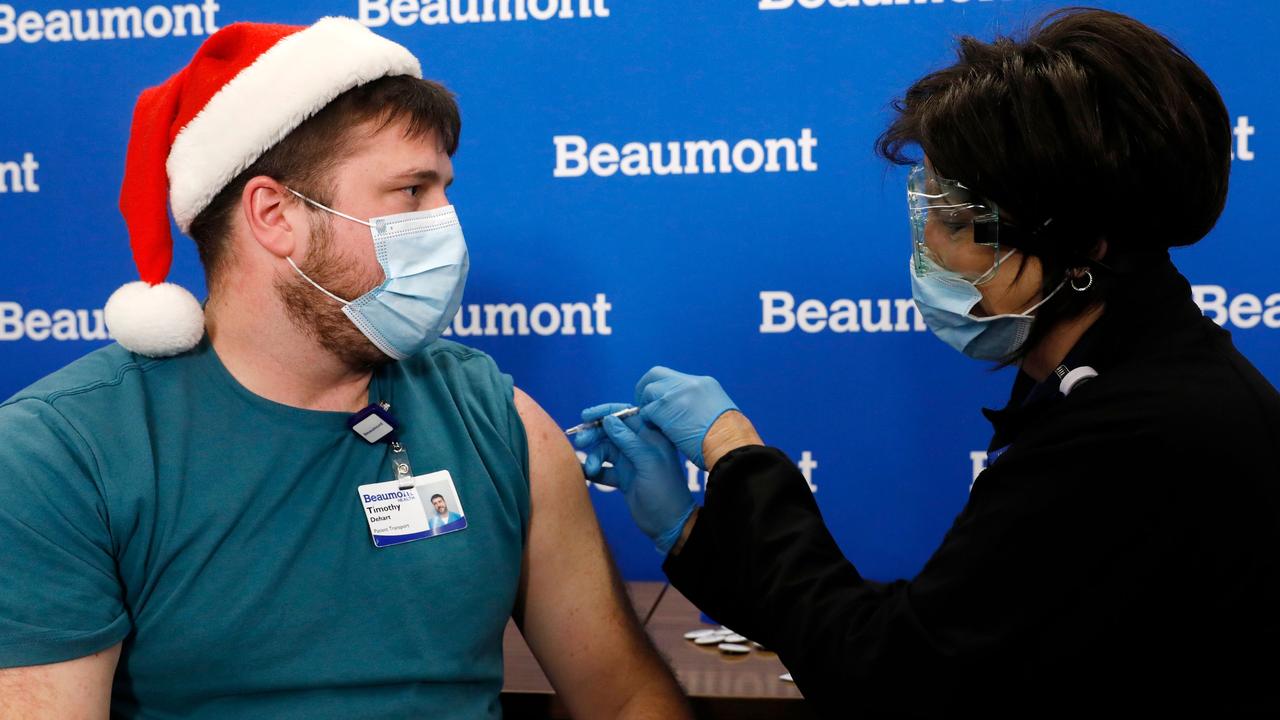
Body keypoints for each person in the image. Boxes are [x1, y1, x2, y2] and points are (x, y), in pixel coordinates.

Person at [576, 8, 1280, 716]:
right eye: (927, 208)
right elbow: (946, 630)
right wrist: (694, 534)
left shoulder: (1144, 431)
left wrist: (737, 454)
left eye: (954, 217)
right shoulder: (1120, 386)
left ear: (1083, 245)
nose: (929, 247)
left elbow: (895, 675)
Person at [0, 18, 689, 719]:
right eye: (413, 193)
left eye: (446, 191)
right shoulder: (63, 456)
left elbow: (626, 696)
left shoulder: (492, 413)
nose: (446, 226)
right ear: (275, 215)